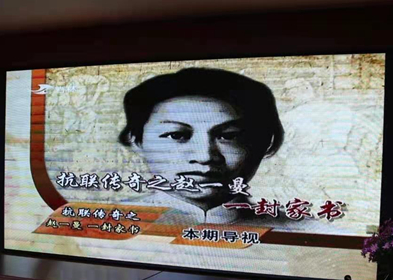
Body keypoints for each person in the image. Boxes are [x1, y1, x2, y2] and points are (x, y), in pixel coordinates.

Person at [118, 67, 285, 226]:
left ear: (267, 144)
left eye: (228, 136)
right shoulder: (111, 220)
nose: (204, 157)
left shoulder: (296, 229)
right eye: (176, 135)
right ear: (137, 142)